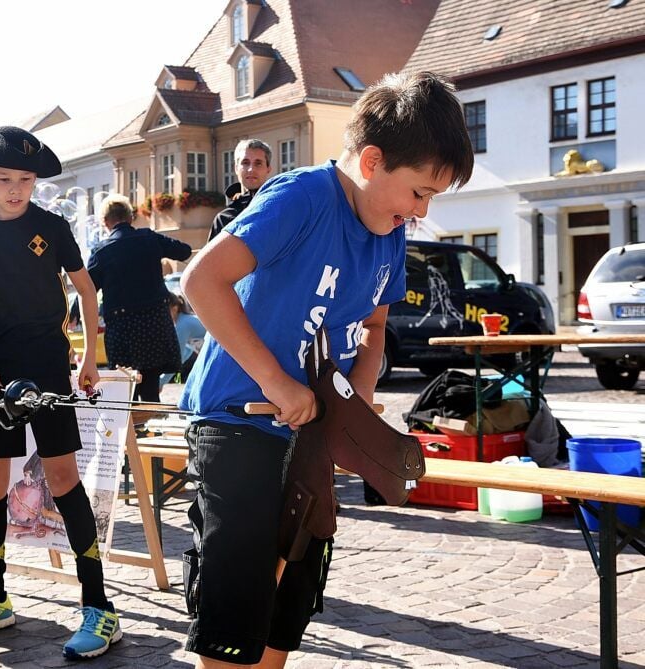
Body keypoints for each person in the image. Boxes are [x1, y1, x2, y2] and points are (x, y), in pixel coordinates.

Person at [179, 71, 474, 668]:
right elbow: (201, 282)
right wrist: (274, 379)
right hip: (238, 427)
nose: (419, 212)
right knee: (233, 618)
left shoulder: (390, 235)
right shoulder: (302, 198)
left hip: (308, 438)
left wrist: (353, 409)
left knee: (281, 618)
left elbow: (372, 329)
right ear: (372, 160)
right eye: (419, 192)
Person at [0, 126, 120, 660]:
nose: (16, 189)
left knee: (63, 480)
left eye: (25, 179)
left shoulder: (53, 226)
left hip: (48, 370)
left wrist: (86, 357)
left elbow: (86, 290)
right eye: (5, 179)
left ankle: (99, 608)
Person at [87, 193, 191, 402]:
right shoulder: (149, 238)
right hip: (154, 320)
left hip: (122, 325)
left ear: (106, 222)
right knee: (151, 380)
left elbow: (87, 289)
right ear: (130, 217)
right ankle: (149, 424)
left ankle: (133, 430)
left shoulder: (101, 251)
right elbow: (184, 251)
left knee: (125, 384)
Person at [207, 139, 273, 242]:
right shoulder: (224, 219)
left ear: (268, 168)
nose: (251, 169)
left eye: (258, 163)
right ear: (236, 168)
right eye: (245, 163)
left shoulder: (278, 210)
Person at [166, 292, 206, 383]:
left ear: (175, 308)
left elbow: (178, 356)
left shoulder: (183, 324)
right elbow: (186, 352)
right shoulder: (183, 321)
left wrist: (161, 382)